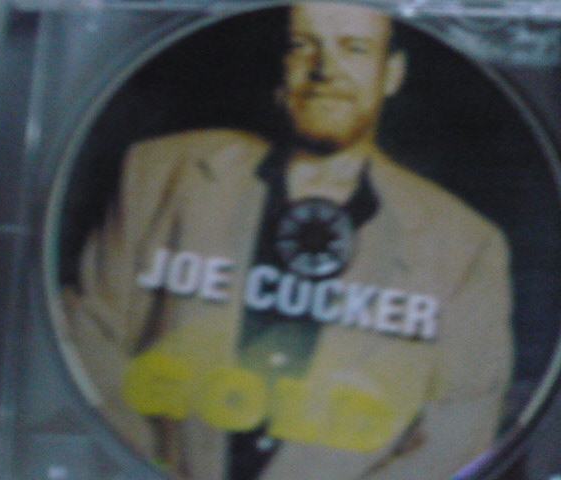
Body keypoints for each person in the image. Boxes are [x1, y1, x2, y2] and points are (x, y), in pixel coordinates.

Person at [60, 3, 513, 479]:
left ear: (392, 73)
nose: (324, 70)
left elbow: (458, 431)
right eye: (303, 45)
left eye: (354, 48)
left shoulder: (467, 245)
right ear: (281, 65)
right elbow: (90, 338)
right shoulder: (159, 172)